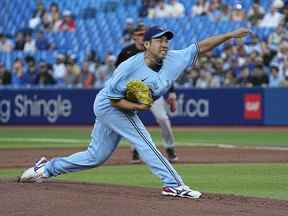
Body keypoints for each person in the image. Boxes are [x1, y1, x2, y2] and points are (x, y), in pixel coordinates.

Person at [19, 25, 249, 199]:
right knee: (143, 140)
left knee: (95, 157)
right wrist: (139, 107)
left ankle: (46, 168)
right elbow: (114, 100)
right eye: (159, 40)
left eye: (167, 40)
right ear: (147, 45)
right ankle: (173, 184)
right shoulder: (129, 67)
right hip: (110, 105)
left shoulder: (175, 59)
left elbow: (201, 46)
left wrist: (229, 35)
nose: (165, 44)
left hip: (120, 106)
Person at [115, 24, 178, 163]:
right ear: (133, 37)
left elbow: (166, 73)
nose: (141, 36)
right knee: (132, 122)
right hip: (133, 95)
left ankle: (170, 148)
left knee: (163, 119)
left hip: (154, 93)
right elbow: (117, 74)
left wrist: (172, 93)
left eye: (144, 33)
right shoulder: (126, 52)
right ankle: (135, 151)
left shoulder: (154, 51)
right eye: (138, 34)